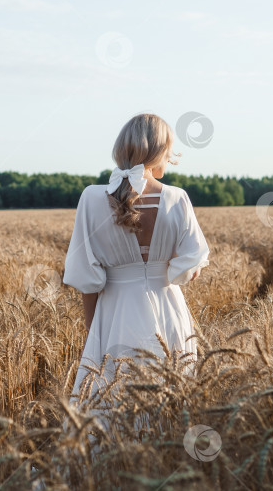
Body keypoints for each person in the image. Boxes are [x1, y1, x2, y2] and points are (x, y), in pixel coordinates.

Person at [62, 113, 210, 405]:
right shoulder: (177, 198)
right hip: (169, 310)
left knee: (109, 397)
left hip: (114, 311)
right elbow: (190, 267)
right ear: (157, 152)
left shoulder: (92, 198)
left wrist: (94, 328)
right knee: (172, 395)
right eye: (168, 149)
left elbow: (87, 279)